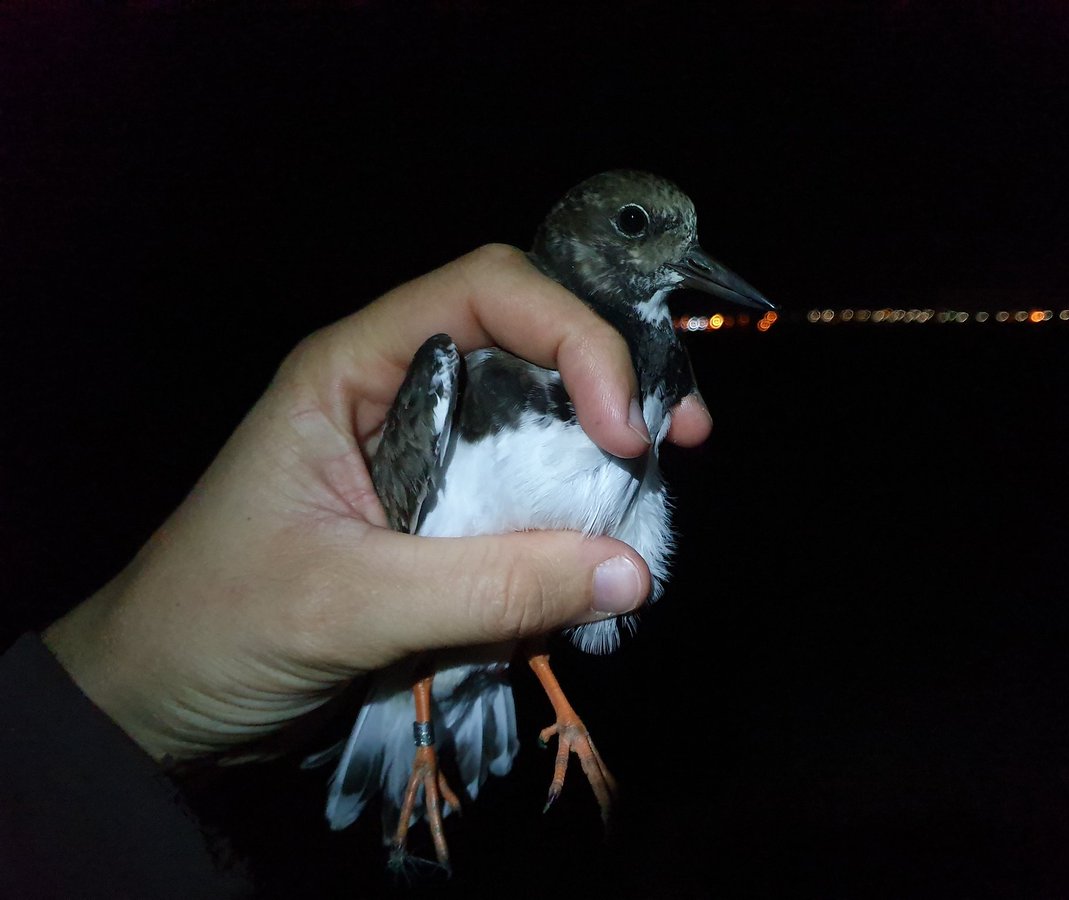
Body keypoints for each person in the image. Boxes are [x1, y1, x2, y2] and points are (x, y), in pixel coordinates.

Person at [0, 244, 713, 898]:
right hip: (397, 674)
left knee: (534, 611)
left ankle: (557, 719)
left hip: (86, 764)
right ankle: (422, 749)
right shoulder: (464, 365)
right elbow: (434, 564)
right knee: (460, 620)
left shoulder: (658, 361)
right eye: (639, 228)